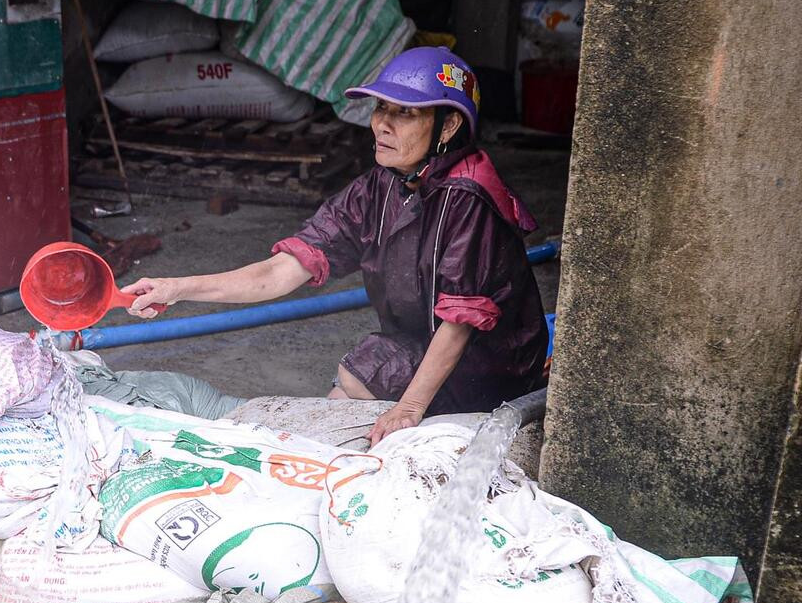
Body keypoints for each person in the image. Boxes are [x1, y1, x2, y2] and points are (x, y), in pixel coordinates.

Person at [124, 48, 548, 444]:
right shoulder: (381, 186)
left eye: (405, 113)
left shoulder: (468, 198)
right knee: (353, 384)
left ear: (449, 125)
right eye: (381, 108)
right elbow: (280, 272)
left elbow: (459, 321)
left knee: (360, 382)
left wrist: (409, 408)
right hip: (418, 345)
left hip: (487, 368)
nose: (382, 124)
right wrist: (177, 288)